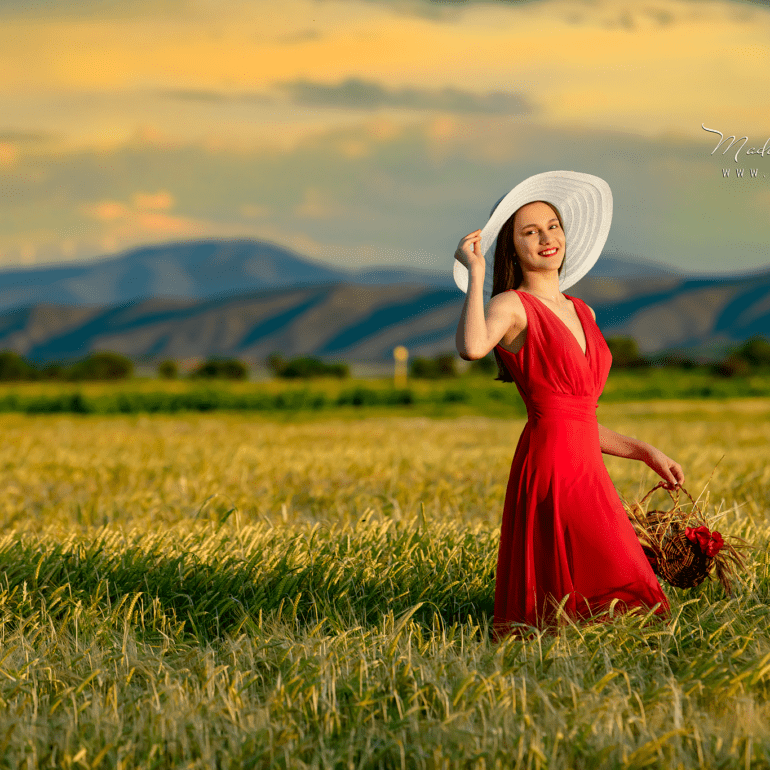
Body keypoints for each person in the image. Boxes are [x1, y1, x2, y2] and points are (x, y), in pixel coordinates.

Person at [453, 171, 684, 639]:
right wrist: (476, 275)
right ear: (512, 249)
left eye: (552, 225)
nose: (545, 238)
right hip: (551, 465)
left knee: (620, 589)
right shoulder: (511, 305)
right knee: (611, 581)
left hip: (585, 463)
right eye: (529, 232)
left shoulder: (585, 312)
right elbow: (473, 347)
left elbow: (579, 418)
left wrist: (644, 451)